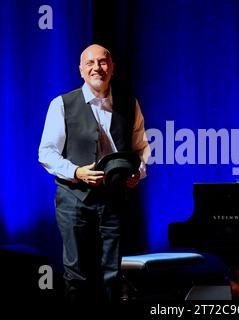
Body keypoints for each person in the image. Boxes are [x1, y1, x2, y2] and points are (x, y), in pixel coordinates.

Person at [38, 44, 150, 303]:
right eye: (90, 63)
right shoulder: (62, 104)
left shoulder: (129, 103)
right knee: (77, 276)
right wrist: (77, 171)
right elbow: (46, 152)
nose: (96, 68)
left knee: (113, 274)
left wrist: (138, 172)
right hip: (74, 199)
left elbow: (140, 147)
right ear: (81, 70)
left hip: (113, 199)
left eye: (102, 62)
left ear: (112, 68)